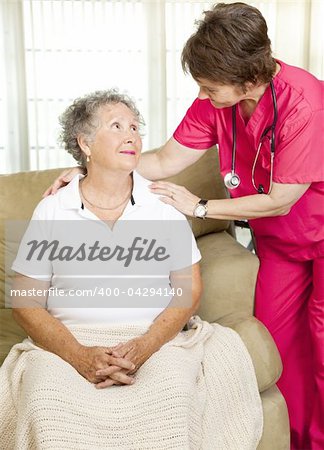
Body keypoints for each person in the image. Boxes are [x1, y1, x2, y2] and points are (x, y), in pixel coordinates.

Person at [46, 3, 324, 449]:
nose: (202, 92)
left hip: (316, 230)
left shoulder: (304, 102)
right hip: (279, 243)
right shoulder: (216, 101)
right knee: (278, 346)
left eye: (211, 85)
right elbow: (163, 160)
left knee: (323, 346)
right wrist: (86, 168)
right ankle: (291, 441)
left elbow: (282, 199)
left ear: (250, 79)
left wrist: (199, 207)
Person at [0, 89, 263, 449]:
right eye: (117, 126)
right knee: (47, 407)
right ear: (85, 143)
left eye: (135, 128)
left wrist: (146, 345)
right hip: (67, 345)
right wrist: (78, 355)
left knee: (174, 400)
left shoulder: (162, 206)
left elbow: (189, 290)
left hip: (154, 340)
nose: (132, 135)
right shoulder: (53, 209)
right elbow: (26, 301)